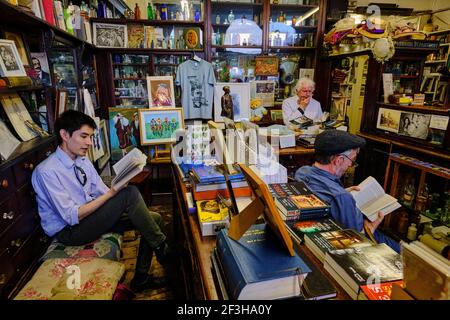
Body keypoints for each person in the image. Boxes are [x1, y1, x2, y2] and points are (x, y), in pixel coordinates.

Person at [31, 110, 172, 292]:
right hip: (71, 231)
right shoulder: (47, 171)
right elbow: (71, 215)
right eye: (84, 136)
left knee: (154, 219)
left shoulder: (82, 160)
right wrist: (115, 193)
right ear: (64, 135)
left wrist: (118, 185)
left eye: (90, 137)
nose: (89, 143)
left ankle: (142, 278)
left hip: (90, 219)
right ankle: (163, 249)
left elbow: (102, 191)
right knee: (129, 193)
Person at [294, 129, 400, 252]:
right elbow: (355, 239)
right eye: (352, 160)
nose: (350, 165)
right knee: (400, 250)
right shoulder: (341, 197)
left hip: (312, 232)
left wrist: (340, 191)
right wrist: (369, 230)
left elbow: (322, 193)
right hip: (345, 244)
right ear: (339, 160)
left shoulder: (302, 172)